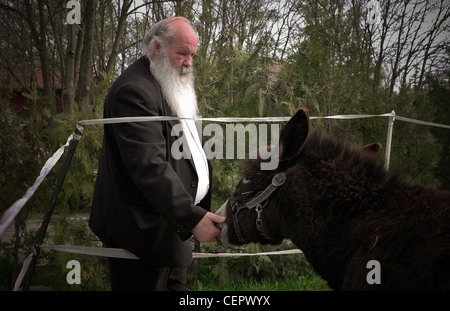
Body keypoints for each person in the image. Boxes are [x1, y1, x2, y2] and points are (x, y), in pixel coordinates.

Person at [89, 16, 225, 291]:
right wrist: (190, 216)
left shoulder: (169, 85)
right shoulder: (134, 91)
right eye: (182, 53)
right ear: (156, 49)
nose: (188, 62)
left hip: (171, 229)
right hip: (141, 236)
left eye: (192, 55)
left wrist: (190, 215)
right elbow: (149, 166)